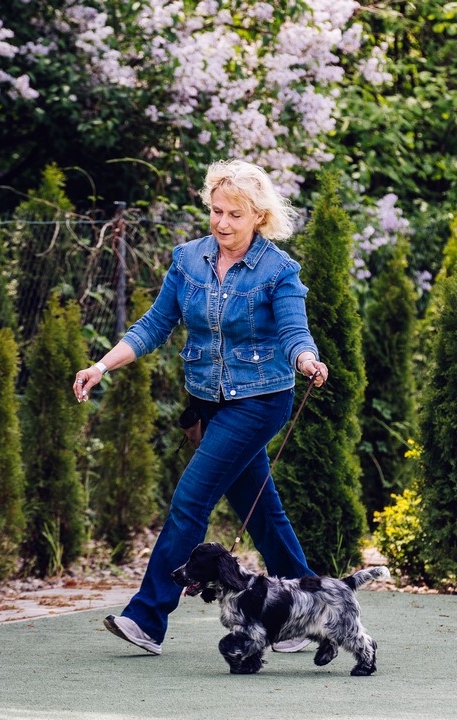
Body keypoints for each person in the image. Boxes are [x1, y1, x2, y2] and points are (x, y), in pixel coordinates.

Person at [73, 159, 328, 656]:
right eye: (216, 211)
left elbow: (294, 330)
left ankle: (147, 618)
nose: (222, 223)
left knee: (190, 499)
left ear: (258, 217)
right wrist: (102, 366)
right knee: (261, 511)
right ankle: (305, 613)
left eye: (234, 214)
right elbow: (154, 324)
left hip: (261, 401)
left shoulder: (279, 271)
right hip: (209, 402)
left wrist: (306, 358)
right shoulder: (189, 259)